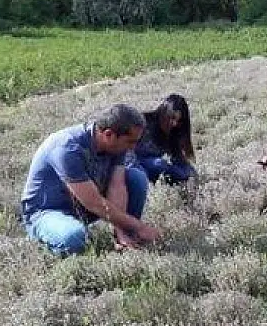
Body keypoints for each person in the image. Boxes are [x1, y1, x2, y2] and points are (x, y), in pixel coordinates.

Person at [20, 104, 163, 255]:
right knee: (74, 237)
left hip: (83, 208)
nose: (133, 148)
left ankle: (127, 237)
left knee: (136, 178)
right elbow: (93, 202)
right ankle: (42, 234)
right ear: (109, 134)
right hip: (47, 211)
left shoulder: (116, 145)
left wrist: (120, 229)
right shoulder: (67, 147)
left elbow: (117, 186)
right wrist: (139, 226)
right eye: (130, 142)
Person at [134, 94, 197, 185]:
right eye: (172, 118)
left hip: (157, 167)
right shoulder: (143, 122)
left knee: (188, 171)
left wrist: (191, 173)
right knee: (160, 165)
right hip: (137, 165)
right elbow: (127, 152)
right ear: (163, 112)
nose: (174, 123)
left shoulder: (173, 132)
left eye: (178, 121)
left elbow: (178, 157)